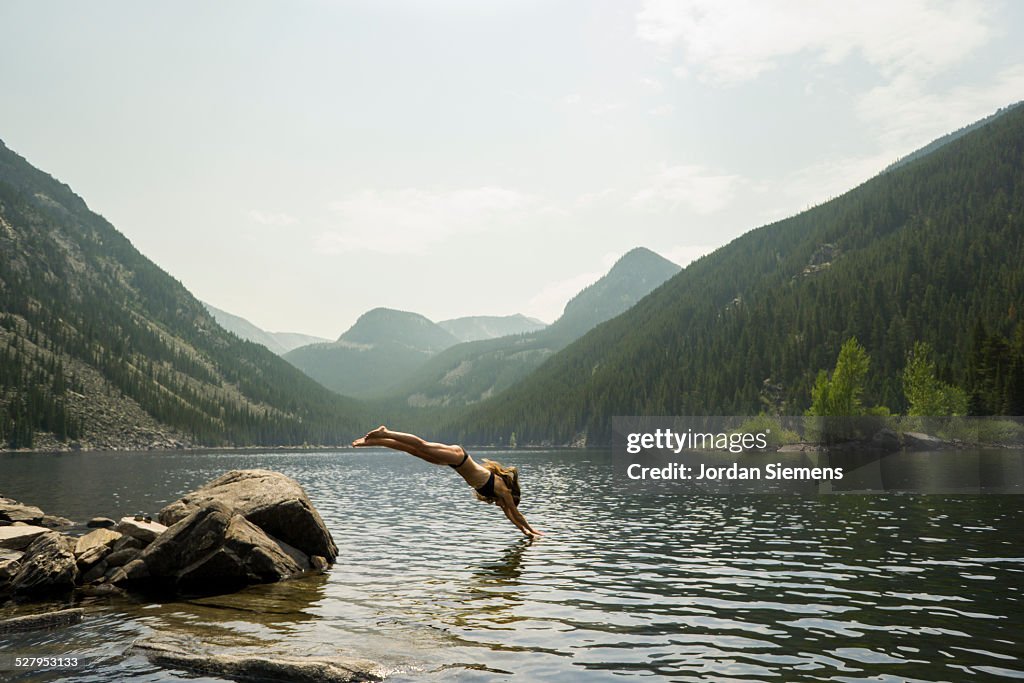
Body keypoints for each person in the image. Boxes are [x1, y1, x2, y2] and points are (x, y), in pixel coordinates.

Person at [352, 426, 543, 537]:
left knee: (415, 451)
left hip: (454, 463)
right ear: (511, 496)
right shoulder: (504, 491)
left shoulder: (498, 495)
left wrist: (525, 534)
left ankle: (373, 442)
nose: (503, 506)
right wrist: (532, 530)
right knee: (422, 445)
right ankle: (386, 432)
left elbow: (511, 517)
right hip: (458, 457)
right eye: (506, 504)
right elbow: (516, 515)